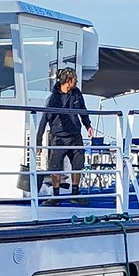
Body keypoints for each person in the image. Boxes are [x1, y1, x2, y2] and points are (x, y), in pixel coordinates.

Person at [38, 66, 93, 195]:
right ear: (68, 80)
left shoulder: (77, 93)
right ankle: (55, 195)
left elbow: (83, 111)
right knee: (55, 167)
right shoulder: (53, 99)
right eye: (75, 79)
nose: (77, 81)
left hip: (75, 136)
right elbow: (44, 119)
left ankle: (75, 193)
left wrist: (88, 126)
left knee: (77, 165)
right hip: (59, 137)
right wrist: (38, 140)